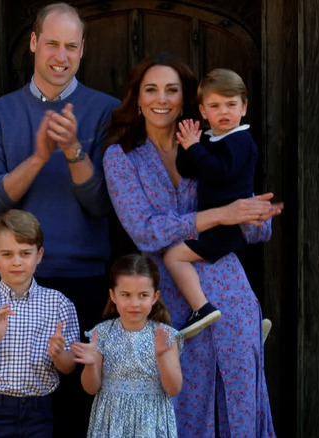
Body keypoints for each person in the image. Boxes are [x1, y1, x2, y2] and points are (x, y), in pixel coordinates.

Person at [102, 53, 282, 437]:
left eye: (172, 90)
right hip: (167, 298)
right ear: (138, 98)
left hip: (230, 291)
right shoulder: (121, 158)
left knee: (238, 398)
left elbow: (252, 227)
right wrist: (220, 215)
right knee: (177, 407)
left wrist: (255, 216)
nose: (161, 99)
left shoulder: (215, 144)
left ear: (184, 100)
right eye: (151, 90)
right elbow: (145, 231)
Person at [0, 3, 120, 436]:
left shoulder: (106, 111)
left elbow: (104, 205)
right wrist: (38, 158)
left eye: (71, 46)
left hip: (83, 282)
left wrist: (73, 151)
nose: (61, 55)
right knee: (10, 406)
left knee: (76, 412)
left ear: (83, 50)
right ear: (34, 43)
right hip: (12, 283)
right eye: (52, 43)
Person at [0, 209, 80, 438]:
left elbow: (69, 367)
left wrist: (59, 354)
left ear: (39, 255)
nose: (17, 262)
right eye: (7, 254)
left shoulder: (59, 304)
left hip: (38, 411)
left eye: (25, 253)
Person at [163, 68, 258, 339]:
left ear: (244, 107)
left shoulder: (240, 140)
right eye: (215, 106)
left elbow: (219, 172)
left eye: (231, 104)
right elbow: (189, 169)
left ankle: (201, 308)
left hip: (227, 226)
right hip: (214, 222)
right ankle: (246, 323)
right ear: (203, 111)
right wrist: (187, 145)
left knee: (173, 256)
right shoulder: (211, 139)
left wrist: (196, 147)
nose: (224, 111)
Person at [71, 254, 182, 438]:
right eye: (126, 295)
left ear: (155, 297)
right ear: (113, 295)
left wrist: (162, 357)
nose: (135, 303)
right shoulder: (102, 333)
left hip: (151, 423)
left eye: (143, 295)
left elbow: (174, 389)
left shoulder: (165, 335)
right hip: (111, 421)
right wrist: (90, 365)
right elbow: (90, 388)